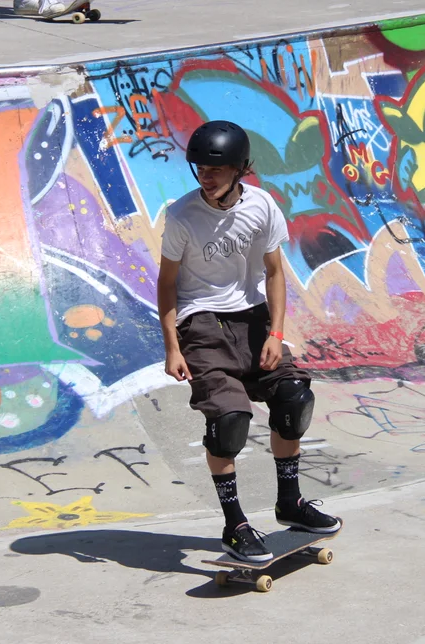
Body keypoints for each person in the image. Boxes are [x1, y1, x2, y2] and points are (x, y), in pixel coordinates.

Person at [157, 120, 341, 562]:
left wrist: (277, 333)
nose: (206, 175)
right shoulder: (182, 216)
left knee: (294, 399)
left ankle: (290, 502)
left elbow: (275, 273)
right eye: (200, 167)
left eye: (216, 169)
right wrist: (172, 346)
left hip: (254, 317)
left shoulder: (261, 206)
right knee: (230, 421)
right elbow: (167, 284)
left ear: (240, 169)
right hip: (201, 321)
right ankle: (234, 524)